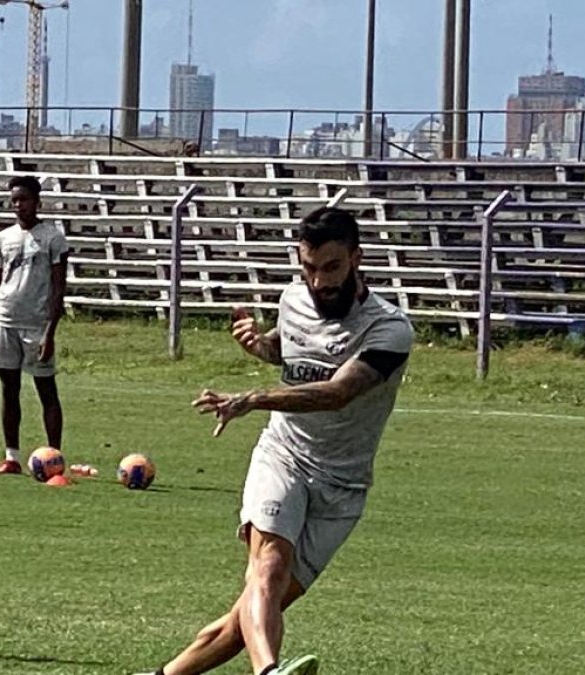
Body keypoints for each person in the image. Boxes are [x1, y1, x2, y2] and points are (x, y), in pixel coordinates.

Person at [136, 208, 414, 675]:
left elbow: (338, 392)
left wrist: (253, 399)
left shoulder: (389, 329)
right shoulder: (293, 299)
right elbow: (289, 353)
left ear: (356, 259)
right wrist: (258, 346)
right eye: (308, 267)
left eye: (331, 267)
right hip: (283, 456)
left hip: (342, 487)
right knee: (268, 567)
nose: (319, 281)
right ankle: (269, 673)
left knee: (246, 615)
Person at [0, 176, 68, 474]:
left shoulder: (52, 238)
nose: (19, 205)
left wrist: (50, 332)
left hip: (36, 325)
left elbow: (59, 288)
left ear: (37, 201)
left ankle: (54, 457)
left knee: (46, 390)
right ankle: (12, 457)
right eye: (14, 201)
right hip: (6, 321)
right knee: (9, 389)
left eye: (24, 199)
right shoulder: (4, 238)